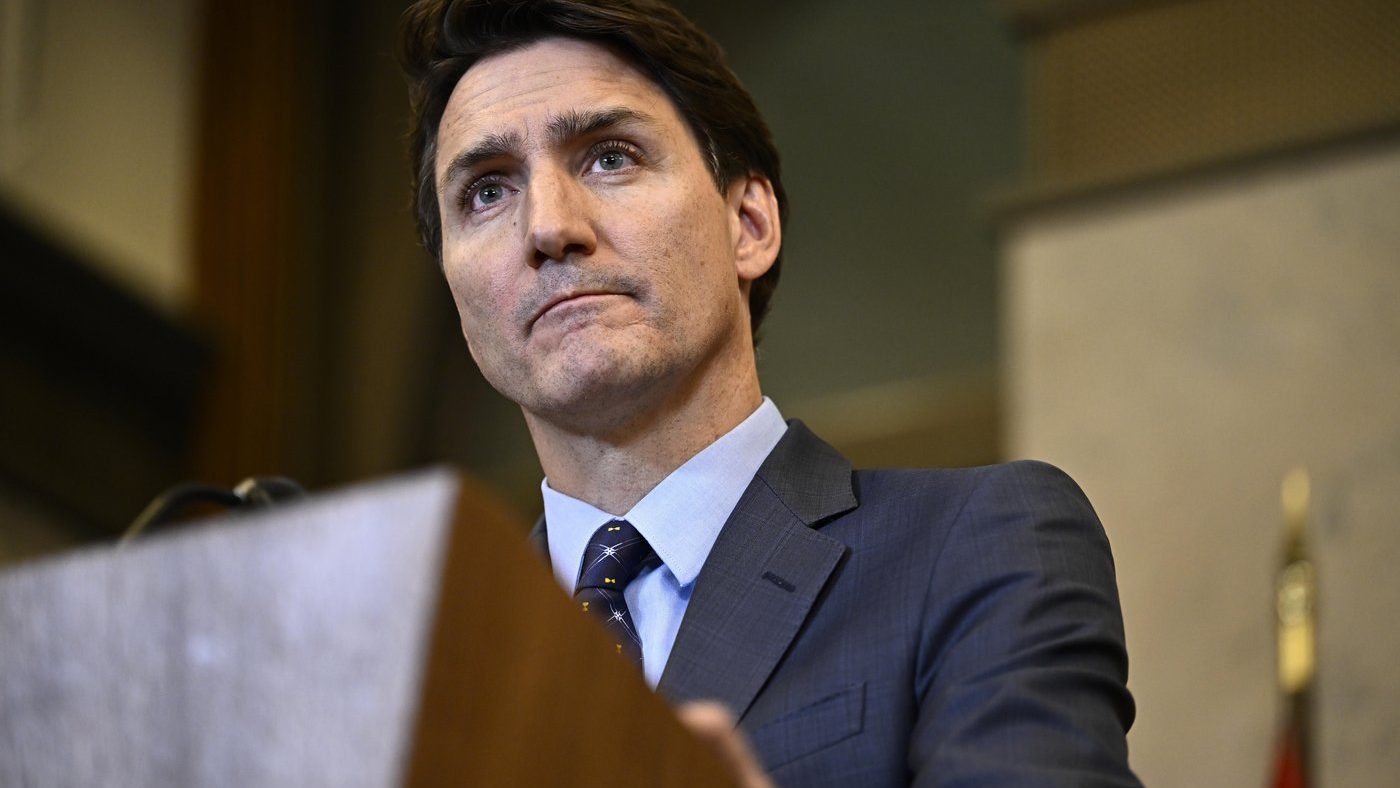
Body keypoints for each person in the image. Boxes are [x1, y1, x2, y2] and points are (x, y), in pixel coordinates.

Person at [399, 1, 1141, 785]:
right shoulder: (422, 664)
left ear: (749, 222)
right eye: (486, 191)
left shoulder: (977, 544)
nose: (548, 226)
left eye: (609, 157)